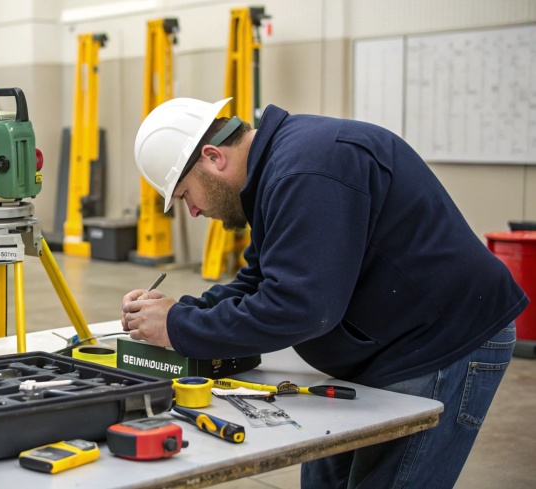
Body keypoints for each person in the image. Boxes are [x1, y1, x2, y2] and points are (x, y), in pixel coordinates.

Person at [122, 97, 526, 488]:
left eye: (185, 194)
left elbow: (302, 307)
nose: (192, 211)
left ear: (213, 157)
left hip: (443, 343)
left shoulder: (306, 171)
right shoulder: (278, 172)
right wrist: (181, 313)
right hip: (389, 345)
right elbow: (264, 279)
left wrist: (178, 328)